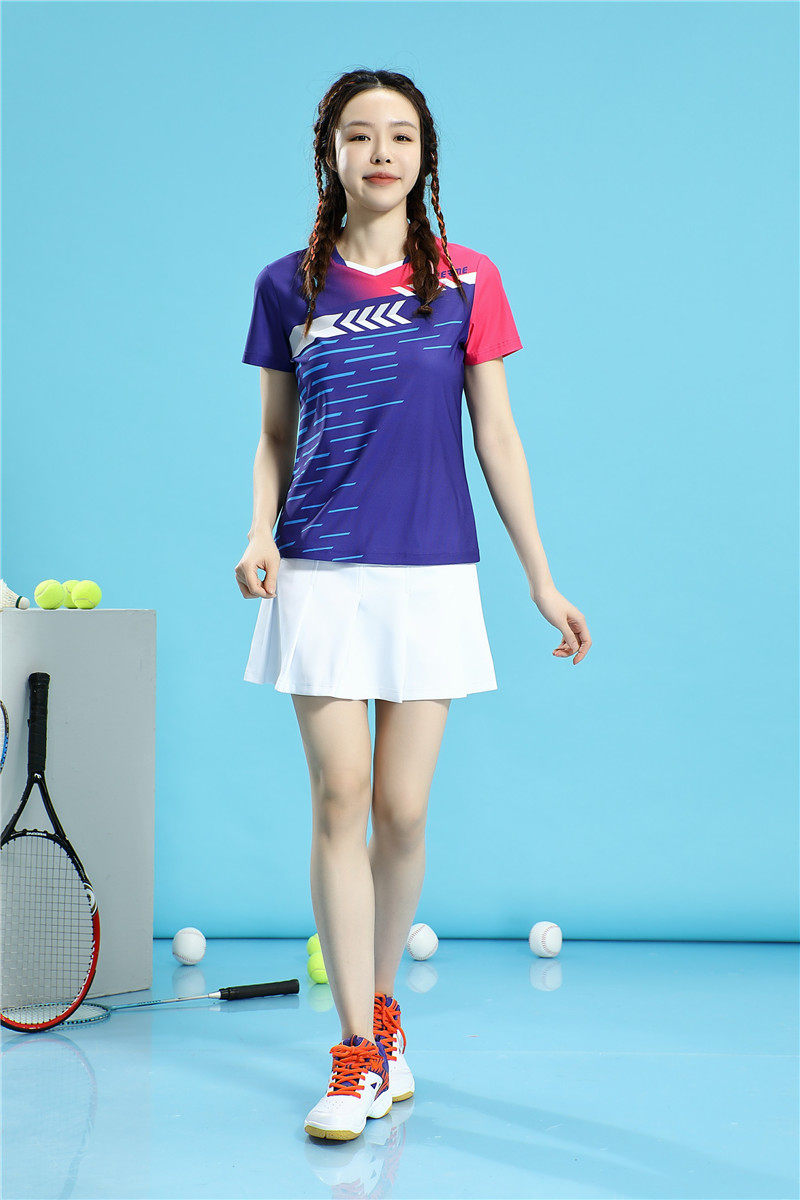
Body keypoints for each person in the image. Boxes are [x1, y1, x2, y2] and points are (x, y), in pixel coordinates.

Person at [234, 68, 592, 1142]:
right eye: (359, 134)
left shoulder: (469, 281)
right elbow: (273, 435)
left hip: (432, 573)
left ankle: (384, 1015)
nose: (380, 151)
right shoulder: (286, 286)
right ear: (330, 154)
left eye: (399, 134)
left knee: (399, 812)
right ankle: (352, 1053)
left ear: (424, 155)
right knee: (339, 799)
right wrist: (258, 531)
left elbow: (497, 436)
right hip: (318, 570)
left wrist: (539, 577)